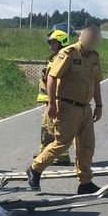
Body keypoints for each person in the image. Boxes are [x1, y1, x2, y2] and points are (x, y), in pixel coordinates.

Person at [27, 24, 104, 195]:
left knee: (87, 146)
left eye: (95, 39)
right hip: (67, 107)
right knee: (61, 143)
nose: (92, 42)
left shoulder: (94, 57)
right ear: (82, 37)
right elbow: (52, 78)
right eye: (90, 38)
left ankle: (85, 182)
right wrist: (53, 104)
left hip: (85, 108)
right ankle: (35, 168)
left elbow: (96, 82)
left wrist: (99, 105)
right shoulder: (68, 53)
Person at [37, 30, 72, 165]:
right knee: (47, 126)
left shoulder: (62, 58)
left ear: (62, 42)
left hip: (56, 100)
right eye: (50, 42)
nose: (51, 45)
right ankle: (46, 152)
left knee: (54, 127)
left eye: (54, 42)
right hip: (50, 99)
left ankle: (61, 156)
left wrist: (53, 101)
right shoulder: (55, 57)